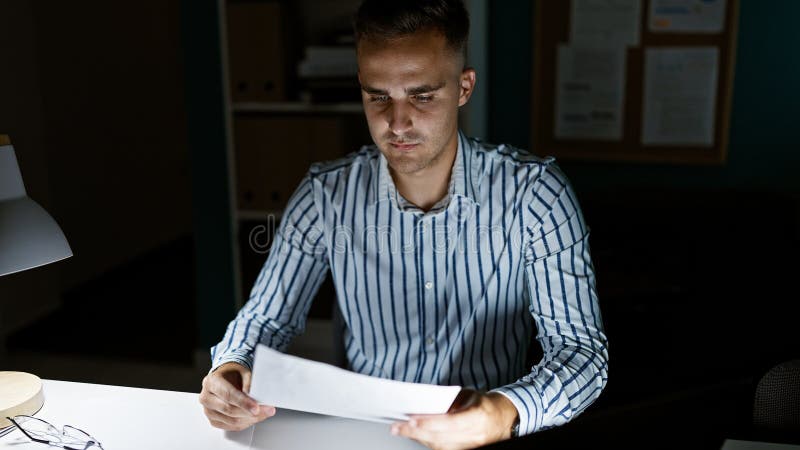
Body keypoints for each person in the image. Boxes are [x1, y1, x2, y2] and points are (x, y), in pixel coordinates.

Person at [199, 1, 608, 448]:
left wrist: (503, 412)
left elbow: (580, 352)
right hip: (364, 436)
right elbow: (264, 317)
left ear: (463, 87)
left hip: (488, 436)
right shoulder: (324, 196)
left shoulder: (536, 194)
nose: (397, 123)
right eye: (378, 97)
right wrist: (230, 367)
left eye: (422, 95)